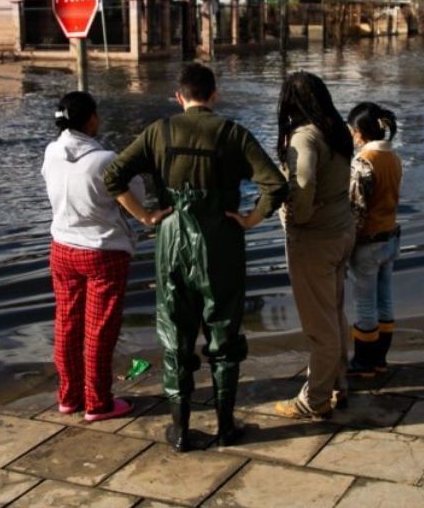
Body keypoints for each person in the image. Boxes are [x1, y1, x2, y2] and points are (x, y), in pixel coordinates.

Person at [104, 63, 287, 451]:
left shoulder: (159, 131)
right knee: (223, 332)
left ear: (179, 97)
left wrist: (145, 216)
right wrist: (251, 219)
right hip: (221, 240)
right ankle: (225, 427)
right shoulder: (232, 132)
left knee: (175, 332)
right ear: (214, 95)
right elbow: (276, 184)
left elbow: (113, 177)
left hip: (171, 238)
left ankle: (181, 429)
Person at [41, 91, 143, 422]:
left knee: (66, 324)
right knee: (99, 330)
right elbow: (136, 196)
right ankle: (98, 402)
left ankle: (68, 397)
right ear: (91, 120)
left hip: (62, 249)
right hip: (102, 252)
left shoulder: (51, 152)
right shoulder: (106, 160)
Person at [272, 71, 357, 421]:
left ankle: (316, 399)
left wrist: (297, 218)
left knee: (318, 324)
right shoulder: (336, 131)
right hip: (342, 231)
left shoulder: (304, 137)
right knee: (333, 311)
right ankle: (338, 383)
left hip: (315, 239)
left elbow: (303, 181)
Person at [343, 102, 402, 378]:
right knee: (385, 298)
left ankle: (364, 363)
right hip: (391, 236)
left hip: (368, 243)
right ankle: (380, 359)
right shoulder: (394, 158)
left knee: (364, 303)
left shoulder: (363, 163)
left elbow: (356, 211)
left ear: (358, 132)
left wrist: (344, 246)